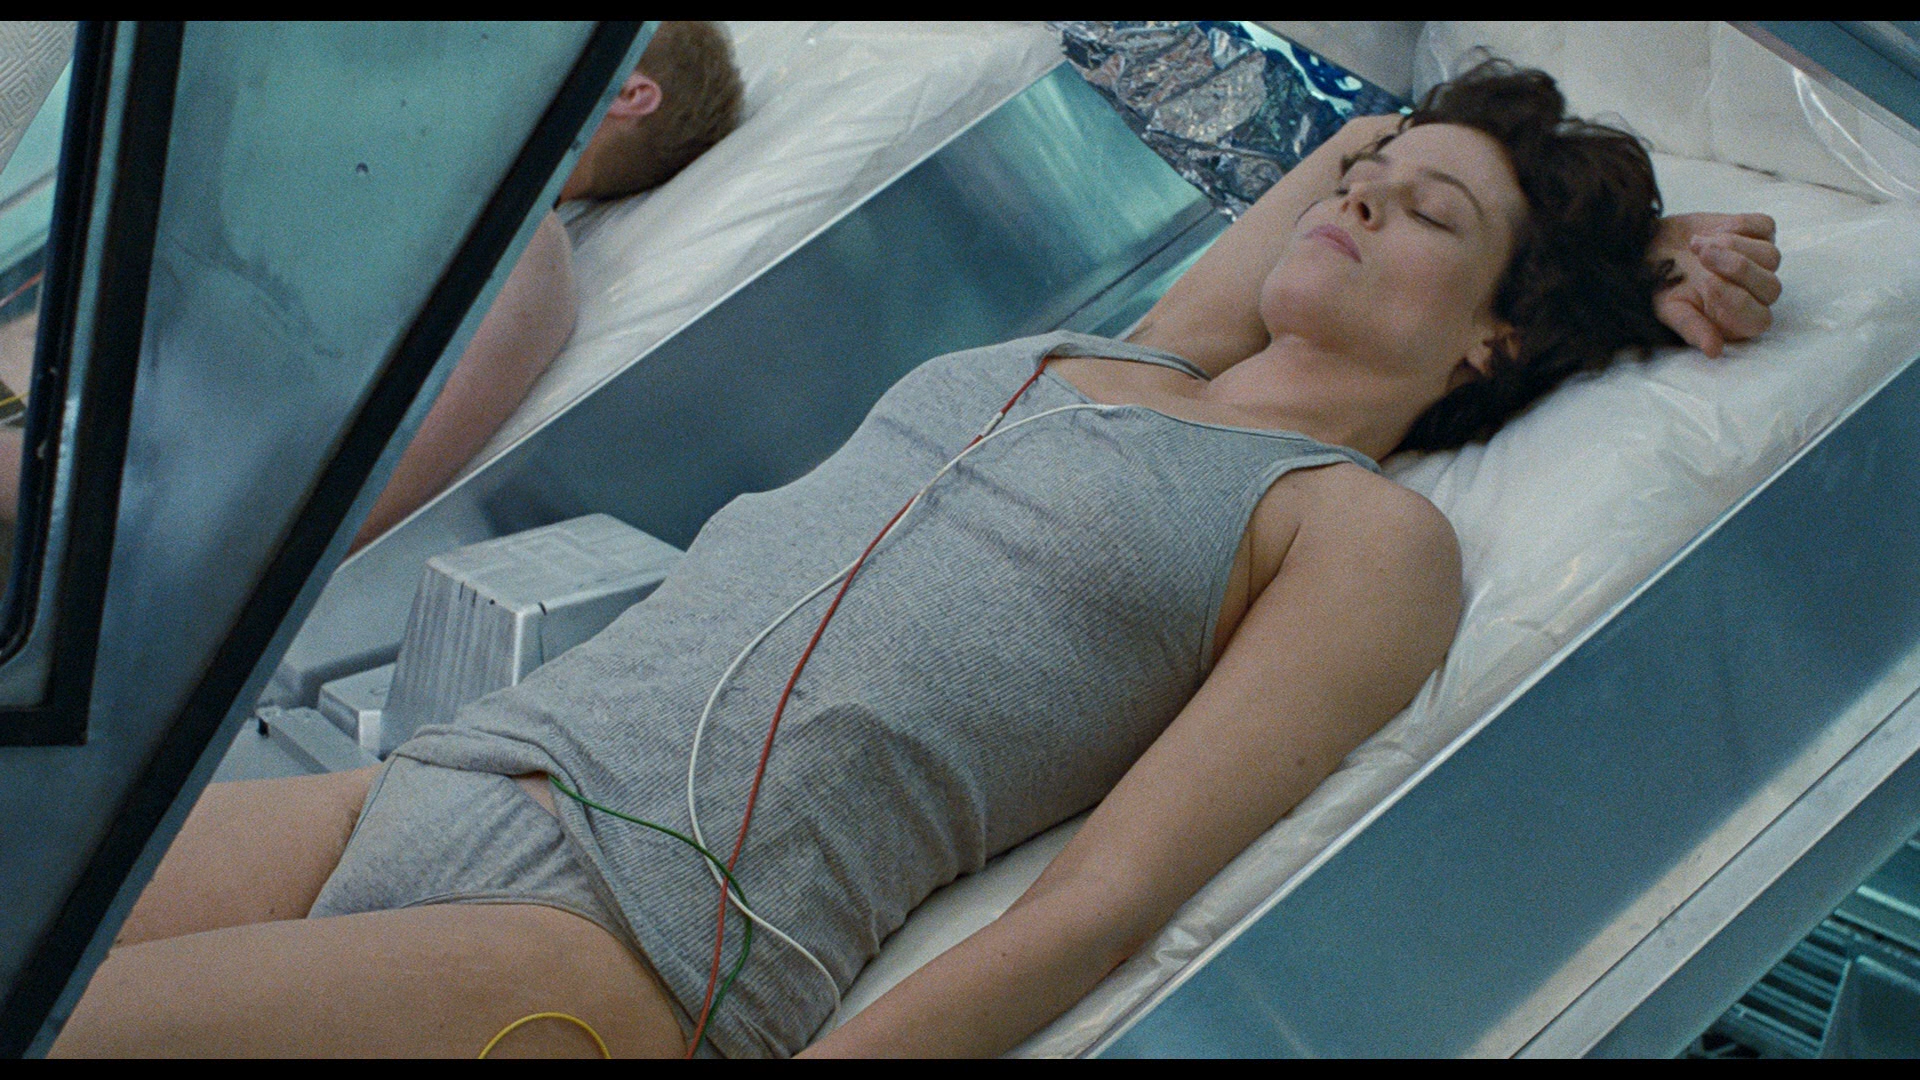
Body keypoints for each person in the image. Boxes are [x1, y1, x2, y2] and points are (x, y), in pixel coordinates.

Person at [51, 62, 1783, 1058]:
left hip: (627, 938)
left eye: (1428, 217)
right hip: (439, 780)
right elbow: (1362, 138)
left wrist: (1616, 269)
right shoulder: (1130, 356)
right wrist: (1597, 221)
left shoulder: (1355, 533)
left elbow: (1108, 898)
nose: (1362, 199)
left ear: (1492, 337)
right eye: (1369, 179)